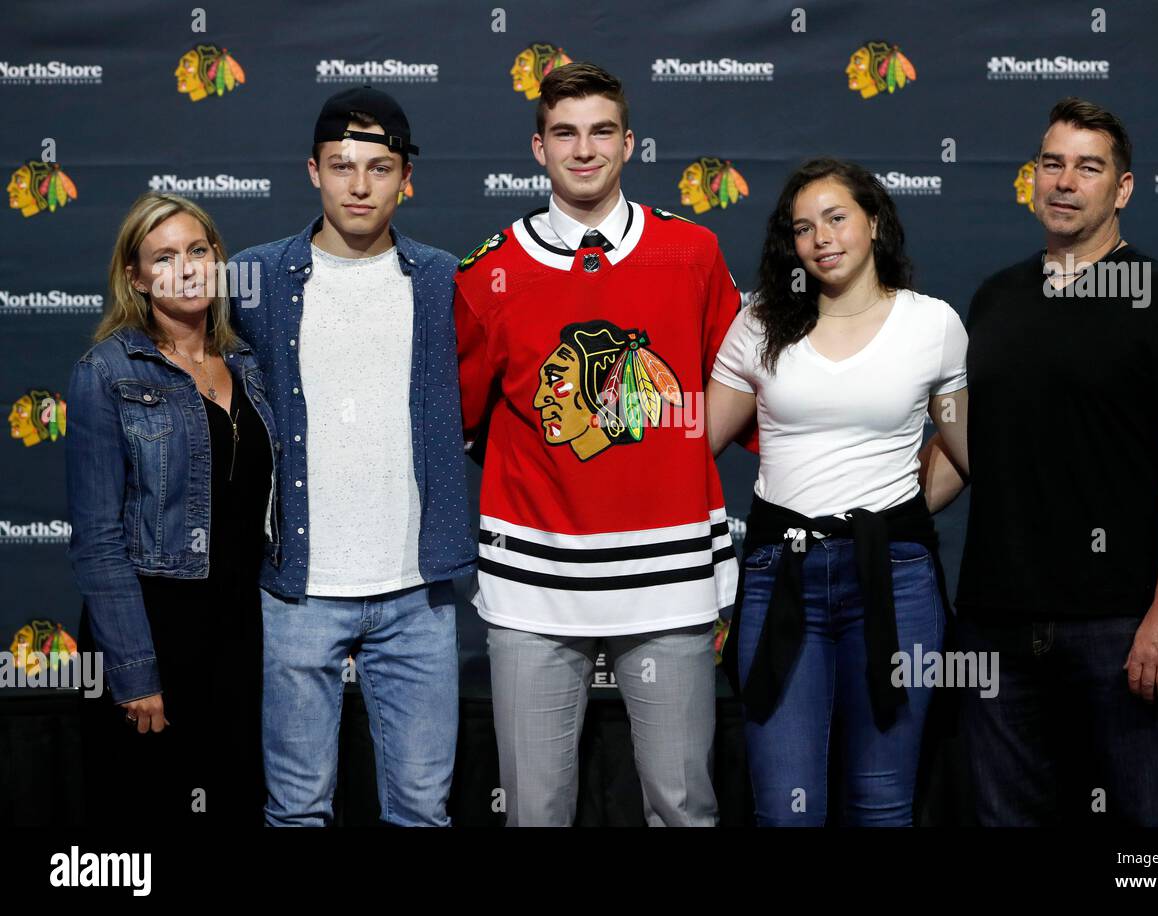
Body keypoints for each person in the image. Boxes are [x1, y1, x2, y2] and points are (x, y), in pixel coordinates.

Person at [455, 62, 741, 826]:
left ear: (630, 144)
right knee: (536, 812)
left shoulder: (692, 253)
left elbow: (740, 394)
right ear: (538, 147)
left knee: (682, 806)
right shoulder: (489, 273)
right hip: (533, 588)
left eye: (601, 131)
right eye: (565, 133)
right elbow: (464, 417)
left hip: (668, 575)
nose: (584, 150)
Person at [943, 97, 1158, 825]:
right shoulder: (995, 299)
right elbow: (965, 451)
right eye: (1052, 163)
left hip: (1122, 627)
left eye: (1088, 167)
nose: (1065, 181)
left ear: (1122, 188)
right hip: (996, 626)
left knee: (1152, 835)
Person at [227, 86, 476, 827]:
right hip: (297, 587)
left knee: (422, 812)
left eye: (377, 167)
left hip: (419, 589)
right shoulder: (255, 278)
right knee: (298, 810)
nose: (359, 185)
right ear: (313, 171)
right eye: (341, 166)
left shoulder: (442, 279)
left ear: (407, 178)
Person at [707, 158, 969, 826]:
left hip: (896, 581)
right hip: (777, 575)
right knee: (786, 811)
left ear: (874, 222)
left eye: (836, 217)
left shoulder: (932, 324)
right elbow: (695, 442)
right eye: (802, 227)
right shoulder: (759, 324)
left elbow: (969, 453)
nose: (821, 237)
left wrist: (895, 517)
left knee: (882, 807)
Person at [67, 192, 274, 826]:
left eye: (197, 250)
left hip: (242, 637)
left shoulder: (250, 362)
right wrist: (133, 671)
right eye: (163, 257)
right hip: (155, 632)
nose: (185, 267)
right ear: (135, 276)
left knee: (235, 805)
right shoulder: (105, 373)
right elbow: (98, 540)